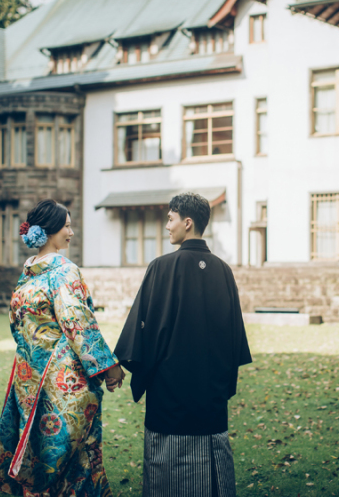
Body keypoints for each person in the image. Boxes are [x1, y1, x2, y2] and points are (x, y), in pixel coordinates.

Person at [0, 199, 126, 497]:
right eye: (66, 226)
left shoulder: (27, 276)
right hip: (62, 379)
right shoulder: (64, 271)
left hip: (28, 376)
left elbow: (16, 325)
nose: (71, 232)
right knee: (73, 454)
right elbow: (78, 323)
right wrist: (109, 367)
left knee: (38, 449)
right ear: (51, 230)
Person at [113, 192, 252, 497]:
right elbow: (235, 340)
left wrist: (125, 367)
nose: (167, 226)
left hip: (169, 395)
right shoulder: (224, 271)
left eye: (170, 219)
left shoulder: (160, 268)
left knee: (168, 479)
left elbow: (141, 333)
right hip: (211, 394)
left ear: (187, 222)